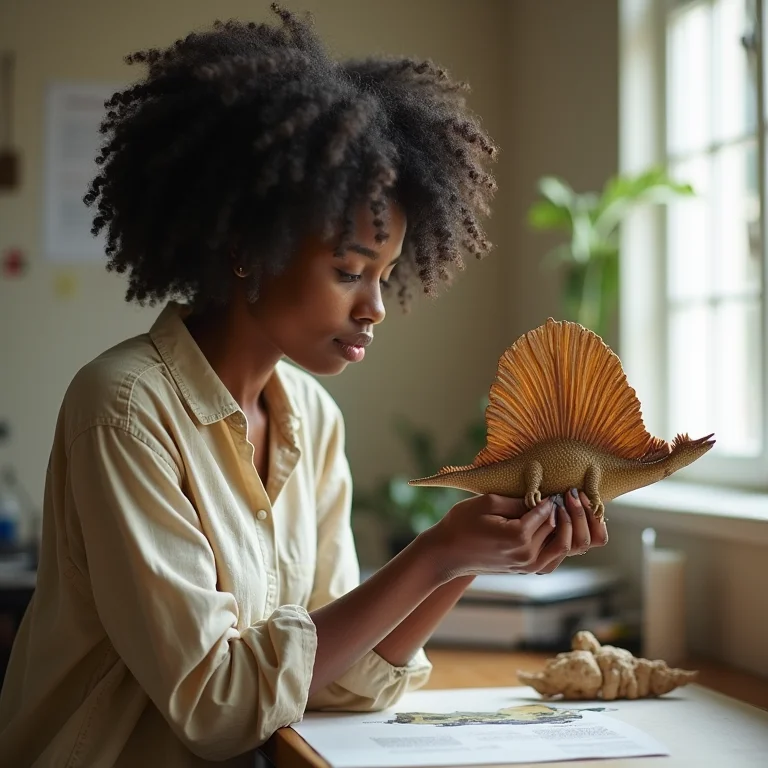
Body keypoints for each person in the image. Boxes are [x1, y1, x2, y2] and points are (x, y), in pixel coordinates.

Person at [0, 5, 607, 767]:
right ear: (251, 248)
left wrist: (467, 561)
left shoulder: (312, 419)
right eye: (349, 272)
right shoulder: (124, 409)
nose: (376, 307)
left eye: (385, 276)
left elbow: (333, 676)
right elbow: (219, 706)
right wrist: (430, 554)